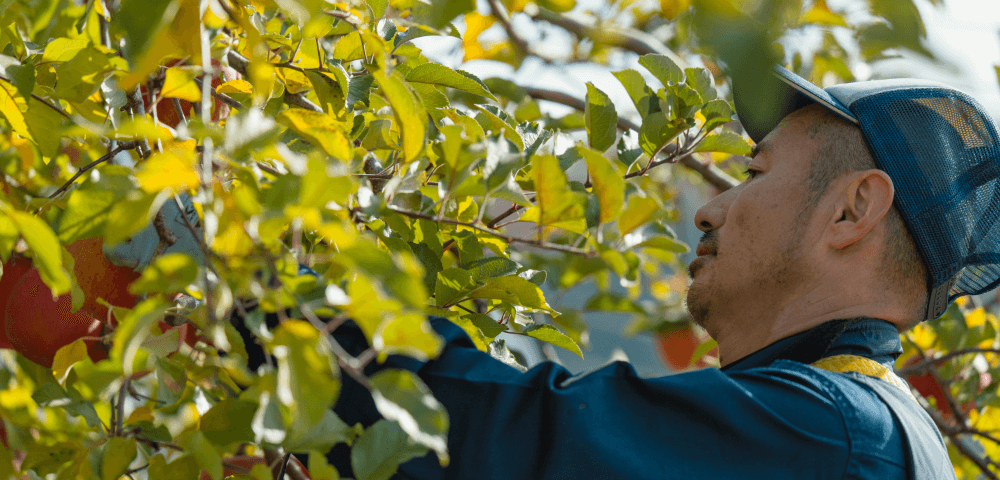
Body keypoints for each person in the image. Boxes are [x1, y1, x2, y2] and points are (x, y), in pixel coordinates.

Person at [107, 66, 999, 479]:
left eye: (755, 173)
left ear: (853, 210)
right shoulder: (872, 432)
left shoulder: (830, 440)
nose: (710, 207)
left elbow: (518, 447)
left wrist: (236, 265)